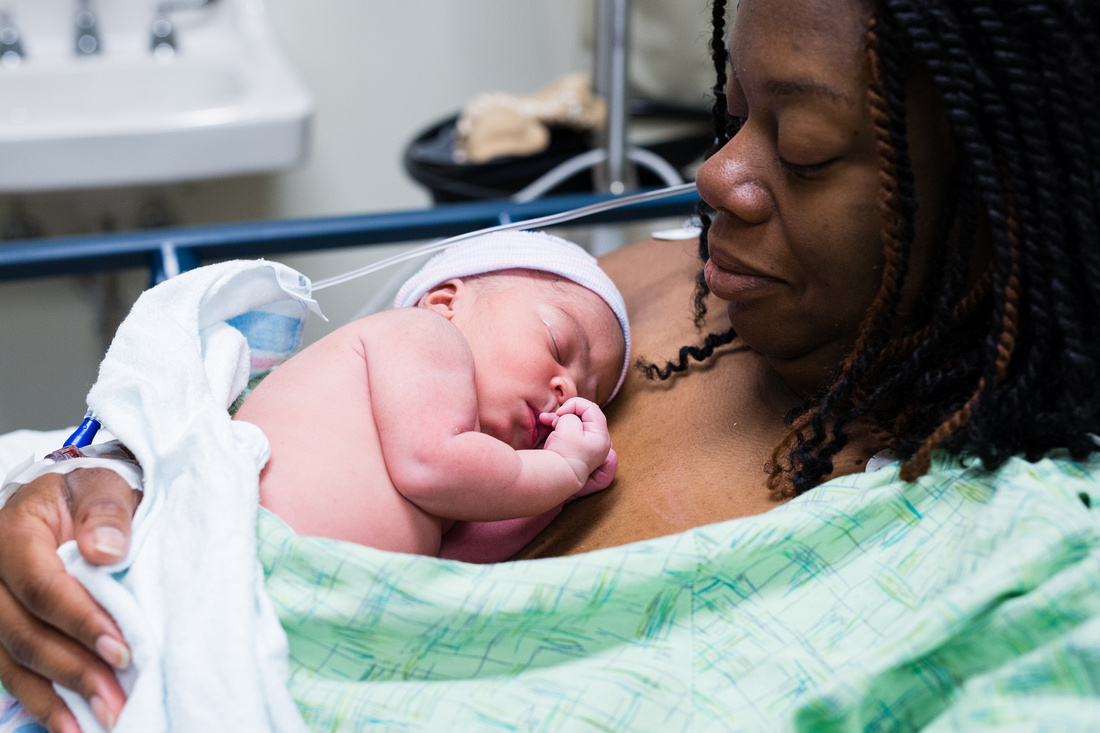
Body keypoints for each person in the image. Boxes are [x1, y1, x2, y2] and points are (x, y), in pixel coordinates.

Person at [1, 0, 1098, 730]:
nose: (717, 175)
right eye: (732, 116)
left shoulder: (1025, 564)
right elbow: (267, 418)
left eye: (802, 149)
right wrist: (99, 476)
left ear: (1004, 210)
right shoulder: (634, 292)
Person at [236, 230, 628, 556]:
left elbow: (455, 560)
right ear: (445, 302)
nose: (569, 390)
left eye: (589, 398)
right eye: (559, 346)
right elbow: (431, 467)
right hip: (250, 538)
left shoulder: (473, 471)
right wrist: (563, 470)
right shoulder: (421, 333)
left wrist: (550, 501)